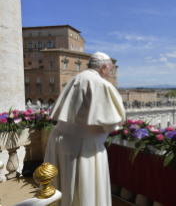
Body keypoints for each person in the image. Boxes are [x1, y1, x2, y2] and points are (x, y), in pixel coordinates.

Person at [44, 52, 126, 206]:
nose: (110, 74)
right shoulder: (101, 84)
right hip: (85, 147)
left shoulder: (75, 79)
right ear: (103, 68)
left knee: (63, 185)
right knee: (83, 192)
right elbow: (112, 124)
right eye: (110, 70)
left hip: (59, 139)